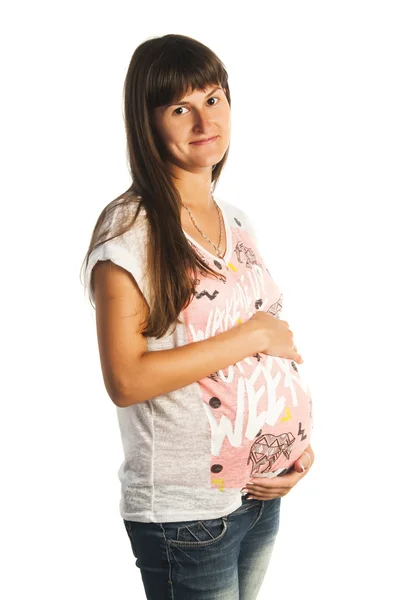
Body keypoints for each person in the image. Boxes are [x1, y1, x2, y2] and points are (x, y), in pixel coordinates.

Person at [81, 33, 315, 600]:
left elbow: (268, 352)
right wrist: (251, 335)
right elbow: (127, 380)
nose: (202, 120)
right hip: (185, 517)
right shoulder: (130, 231)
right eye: (178, 107)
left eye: (213, 98)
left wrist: (291, 445)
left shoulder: (235, 221)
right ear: (148, 123)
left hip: (257, 497)